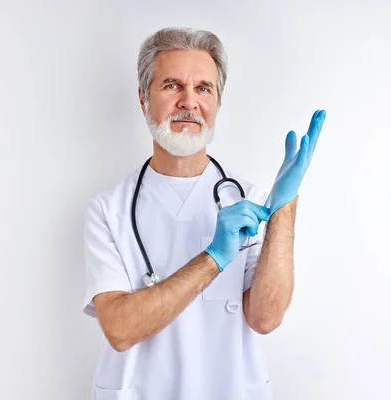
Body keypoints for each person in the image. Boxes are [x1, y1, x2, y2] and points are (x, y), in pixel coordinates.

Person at [83, 26, 326, 400]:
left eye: (203, 88)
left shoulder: (253, 202)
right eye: (171, 86)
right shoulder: (109, 210)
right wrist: (214, 258)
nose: (188, 102)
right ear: (143, 98)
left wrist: (284, 207)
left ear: (218, 101)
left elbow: (265, 317)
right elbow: (119, 328)